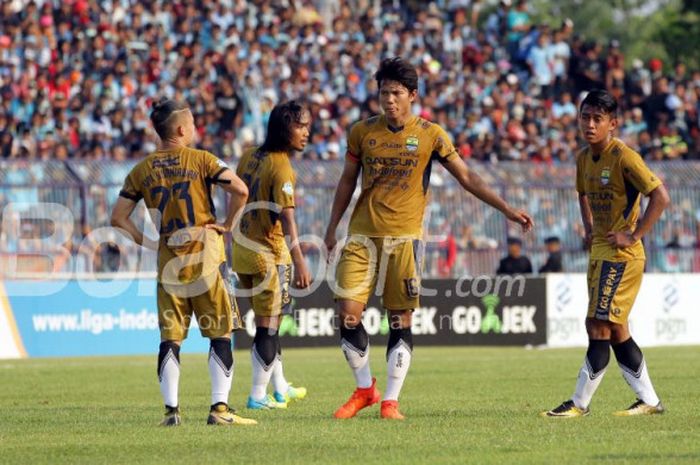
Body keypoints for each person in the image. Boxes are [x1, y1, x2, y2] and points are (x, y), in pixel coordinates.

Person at [323, 57, 534, 421]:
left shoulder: (430, 135)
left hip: (405, 239)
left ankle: (390, 400)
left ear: (412, 96)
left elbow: (467, 178)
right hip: (361, 237)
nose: (388, 100)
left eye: (396, 93)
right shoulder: (361, 132)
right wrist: (332, 226)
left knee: (399, 319)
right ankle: (364, 390)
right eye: (383, 93)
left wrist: (507, 209)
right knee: (347, 316)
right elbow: (346, 180)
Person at [110, 98, 256, 427]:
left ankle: (171, 412)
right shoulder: (202, 159)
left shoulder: (141, 170)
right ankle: (220, 410)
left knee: (170, 338)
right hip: (206, 256)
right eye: (191, 125)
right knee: (220, 333)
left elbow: (118, 217)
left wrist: (148, 241)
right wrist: (228, 225)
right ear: (180, 129)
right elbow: (241, 190)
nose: (194, 129)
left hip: (168, 260)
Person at [542, 89, 670, 418]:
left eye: (598, 119)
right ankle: (650, 402)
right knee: (616, 328)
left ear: (612, 124)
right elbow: (582, 194)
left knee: (597, 323)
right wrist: (588, 228)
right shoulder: (584, 158)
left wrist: (635, 234)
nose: (590, 124)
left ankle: (578, 404)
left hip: (621, 256)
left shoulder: (625, 157)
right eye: (585, 117)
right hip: (600, 251)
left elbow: (660, 196)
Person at [232, 100, 312, 410]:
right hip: (269, 253)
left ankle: (279, 387)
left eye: (307, 125)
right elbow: (288, 218)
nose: (306, 132)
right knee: (268, 327)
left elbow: (237, 196)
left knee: (270, 321)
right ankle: (257, 396)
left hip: (243, 249)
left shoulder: (249, 156)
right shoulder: (282, 166)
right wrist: (301, 260)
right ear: (284, 127)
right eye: (300, 126)